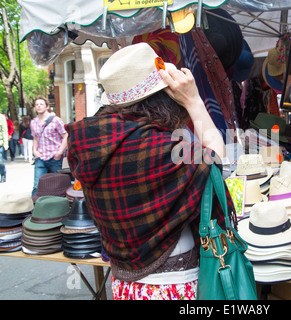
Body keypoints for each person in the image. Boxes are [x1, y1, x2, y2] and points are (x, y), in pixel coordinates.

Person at [66, 43, 234, 300]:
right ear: (163, 97)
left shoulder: (89, 141)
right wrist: (193, 101)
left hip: (124, 285)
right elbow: (218, 163)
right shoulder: (160, 150)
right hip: (172, 287)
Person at [30, 95, 68, 196]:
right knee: (37, 185)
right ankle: (34, 209)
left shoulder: (56, 120)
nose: (39, 106)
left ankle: (57, 207)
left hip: (54, 157)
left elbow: (65, 136)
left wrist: (59, 153)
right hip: (40, 157)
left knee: (57, 186)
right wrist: (35, 151)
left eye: (41, 104)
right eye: (36, 104)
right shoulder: (33, 122)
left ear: (47, 106)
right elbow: (35, 138)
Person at [0, 112, 8, 182]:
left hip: (0, 143)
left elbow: (4, 131)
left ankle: (3, 174)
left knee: (1, 161)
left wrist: (5, 143)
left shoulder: (1, 117)